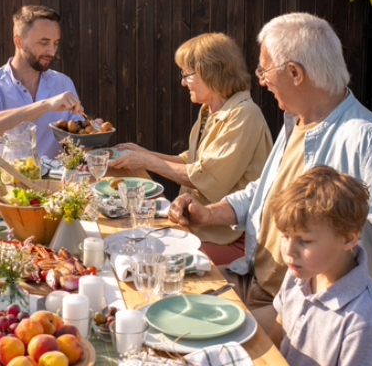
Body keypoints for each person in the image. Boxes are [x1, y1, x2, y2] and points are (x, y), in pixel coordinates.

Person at [168, 12, 372, 366]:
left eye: (264, 70)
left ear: (295, 73)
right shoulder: (298, 121)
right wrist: (210, 213)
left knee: (193, 358)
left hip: (297, 313)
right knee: (164, 303)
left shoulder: (367, 141)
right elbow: (264, 191)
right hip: (256, 282)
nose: (262, 80)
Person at [111, 33, 273, 264]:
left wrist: (146, 162)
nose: (183, 82)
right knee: (128, 241)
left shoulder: (244, 114)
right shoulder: (210, 110)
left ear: (211, 71)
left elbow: (205, 176)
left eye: (187, 74)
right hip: (200, 229)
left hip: (230, 238)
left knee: (149, 261)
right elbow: (194, 161)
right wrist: (143, 153)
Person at [267, 166, 372, 366]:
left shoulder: (363, 321)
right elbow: (279, 330)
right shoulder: (300, 272)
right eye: (285, 236)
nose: (288, 252)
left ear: (348, 238)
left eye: (304, 241)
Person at [0, 5, 84, 166]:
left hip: (53, 186)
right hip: (1, 186)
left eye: (56, 43)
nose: (52, 51)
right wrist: (45, 105)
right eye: (44, 43)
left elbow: (80, 140)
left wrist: (94, 131)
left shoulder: (63, 83)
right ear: (18, 41)